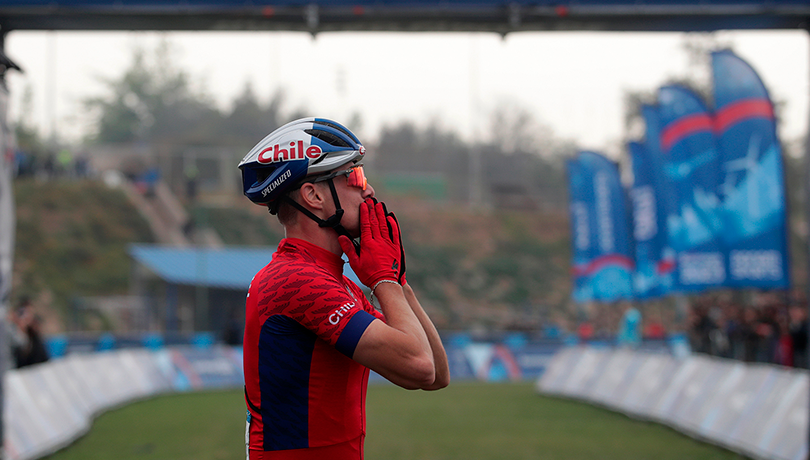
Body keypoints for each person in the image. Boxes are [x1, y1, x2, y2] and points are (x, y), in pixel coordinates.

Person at [238, 118, 450, 460]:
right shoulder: (295, 282)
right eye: (355, 176)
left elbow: (438, 375)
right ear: (313, 195)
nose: (369, 190)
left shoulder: (336, 284)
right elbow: (419, 365)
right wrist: (383, 280)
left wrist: (398, 282)